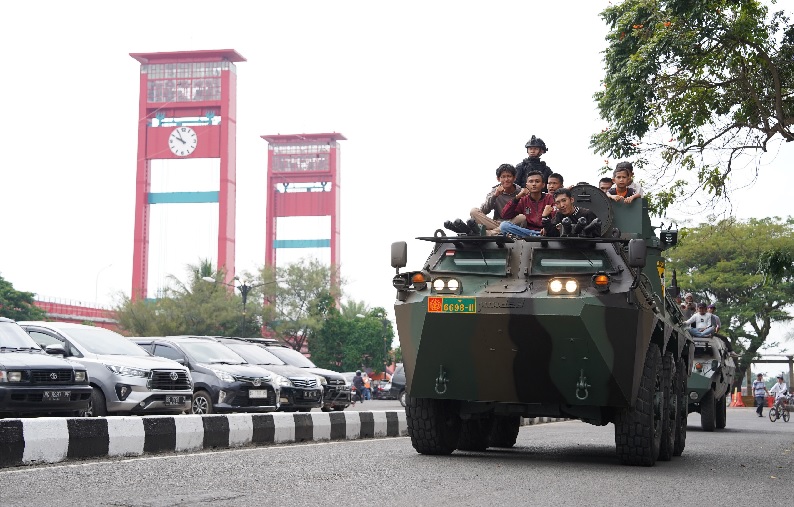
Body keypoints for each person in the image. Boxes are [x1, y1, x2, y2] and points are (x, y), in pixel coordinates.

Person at [470, 164, 528, 235]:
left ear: (514, 178)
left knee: (522, 218)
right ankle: (500, 231)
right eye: (503, 177)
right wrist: (495, 196)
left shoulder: (520, 191)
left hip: (513, 222)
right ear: (498, 179)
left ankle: (489, 233)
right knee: (473, 211)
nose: (506, 180)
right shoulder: (495, 190)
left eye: (509, 176)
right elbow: (484, 210)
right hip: (496, 223)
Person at [499, 170, 555, 237]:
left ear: (543, 185)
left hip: (546, 231)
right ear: (527, 185)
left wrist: (547, 226)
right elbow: (505, 215)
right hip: (527, 231)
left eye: (537, 181)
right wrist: (517, 197)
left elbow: (556, 218)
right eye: (531, 182)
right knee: (504, 226)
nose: (534, 184)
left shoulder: (550, 198)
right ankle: (536, 235)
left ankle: (536, 235)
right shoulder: (523, 200)